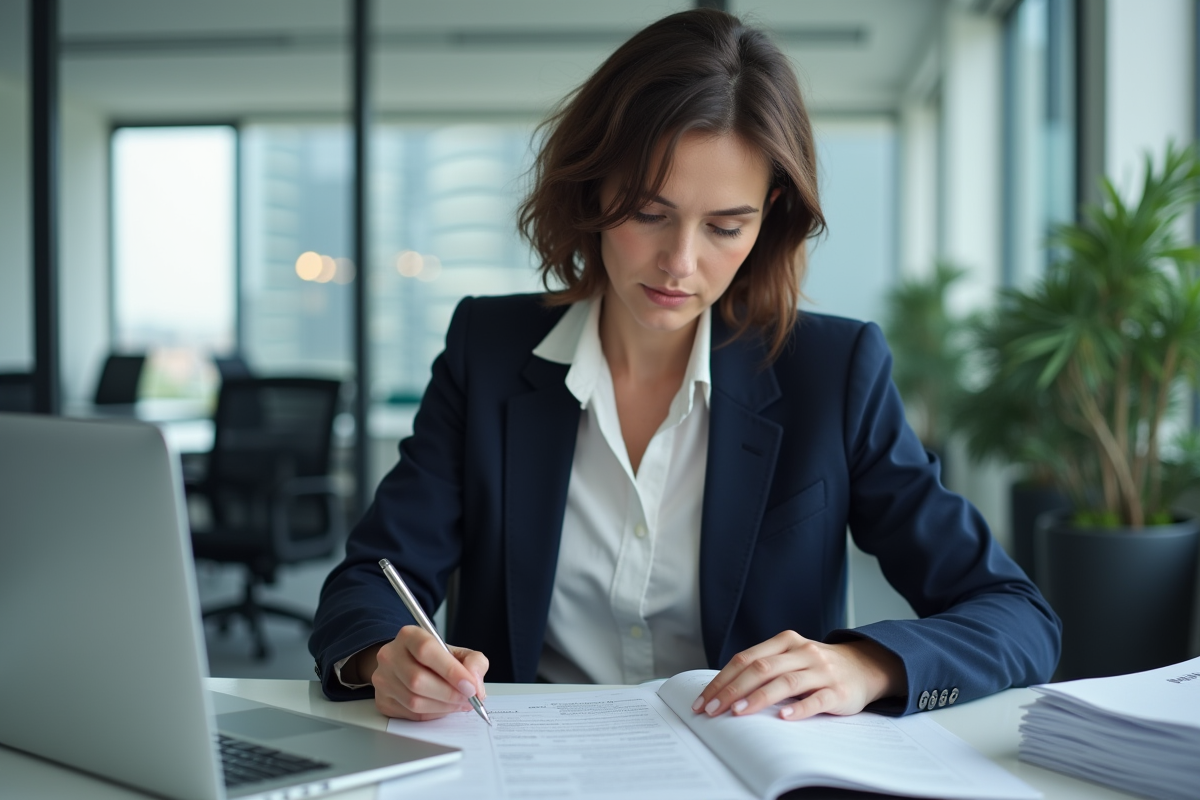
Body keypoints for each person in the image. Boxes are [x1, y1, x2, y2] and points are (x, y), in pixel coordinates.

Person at [309, 8, 1060, 723]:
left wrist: (866, 667)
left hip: (749, 775)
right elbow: (370, 584)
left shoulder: (832, 372)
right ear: (593, 187)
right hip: (526, 768)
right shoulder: (489, 348)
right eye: (648, 213)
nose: (680, 263)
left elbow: (1017, 617)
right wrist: (384, 657)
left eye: (726, 227)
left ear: (769, 219)